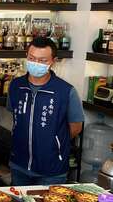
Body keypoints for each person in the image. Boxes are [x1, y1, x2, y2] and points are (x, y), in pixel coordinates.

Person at [7, 37, 84, 186]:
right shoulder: (16, 86)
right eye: (32, 58)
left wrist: (51, 142)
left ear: (53, 61)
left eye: (42, 60)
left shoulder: (66, 91)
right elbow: (15, 116)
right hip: (19, 165)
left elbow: (76, 127)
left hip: (52, 170)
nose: (36, 63)